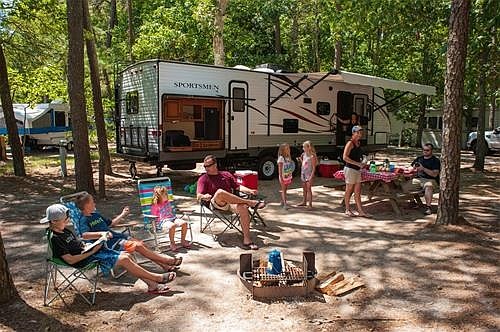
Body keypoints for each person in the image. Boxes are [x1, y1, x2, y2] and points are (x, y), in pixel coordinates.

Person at [41, 203, 175, 294]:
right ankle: (157, 278)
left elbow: (77, 245)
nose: (67, 221)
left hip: (89, 252)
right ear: (53, 221)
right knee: (125, 259)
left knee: (126, 256)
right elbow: (70, 260)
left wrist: (88, 245)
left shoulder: (65, 231)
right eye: (65, 220)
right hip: (84, 260)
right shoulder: (55, 238)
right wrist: (92, 251)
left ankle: (152, 285)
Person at [76, 193, 183, 272]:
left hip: (117, 237)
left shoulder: (96, 215)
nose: (94, 202)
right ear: (86, 205)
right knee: (138, 246)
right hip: (108, 244)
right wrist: (100, 234)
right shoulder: (84, 219)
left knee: (141, 244)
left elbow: (111, 223)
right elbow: (84, 235)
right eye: (92, 201)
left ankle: (164, 266)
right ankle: (168, 260)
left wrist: (123, 214)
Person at [196, 155, 266, 250]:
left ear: (215, 165)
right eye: (205, 166)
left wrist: (250, 190)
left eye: (208, 166)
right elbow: (198, 196)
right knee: (220, 192)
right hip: (217, 204)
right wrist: (204, 196)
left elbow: (238, 187)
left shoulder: (226, 174)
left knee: (243, 207)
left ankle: (247, 240)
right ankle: (251, 202)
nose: (206, 168)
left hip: (231, 203)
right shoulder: (203, 178)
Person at [342, 125, 371, 217]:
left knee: (358, 191)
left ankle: (360, 211)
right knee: (349, 190)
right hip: (350, 169)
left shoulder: (358, 143)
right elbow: (345, 157)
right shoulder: (350, 143)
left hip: (357, 170)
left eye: (360, 132)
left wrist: (363, 163)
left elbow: (358, 156)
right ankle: (347, 209)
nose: (360, 134)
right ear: (353, 133)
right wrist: (357, 164)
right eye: (358, 132)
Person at [151, 185, 191, 252]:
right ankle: (172, 243)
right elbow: (154, 216)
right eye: (164, 195)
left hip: (172, 218)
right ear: (158, 197)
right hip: (162, 221)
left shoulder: (168, 203)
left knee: (184, 223)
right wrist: (155, 225)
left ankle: (183, 240)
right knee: (172, 226)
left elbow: (172, 211)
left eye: (166, 194)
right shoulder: (155, 205)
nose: (166, 195)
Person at [411, 143, 440, 215]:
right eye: (424, 150)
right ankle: (412, 202)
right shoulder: (419, 159)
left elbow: (435, 174)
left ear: (431, 151)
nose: (425, 151)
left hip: (430, 180)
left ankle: (428, 207)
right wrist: (414, 168)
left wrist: (423, 169)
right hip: (418, 179)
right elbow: (411, 168)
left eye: (427, 150)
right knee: (402, 184)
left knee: (429, 186)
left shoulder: (435, 161)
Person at [297, 141, 317, 209]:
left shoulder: (312, 156)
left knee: (309, 189)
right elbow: (304, 164)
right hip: (303, 173)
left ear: (309, 147)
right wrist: (300, 160)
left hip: (309, 174)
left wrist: (311, 176)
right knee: (304, 188)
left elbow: (314, 167)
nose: (303, 148)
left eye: (304, 147)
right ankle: (304, 201)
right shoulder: (303, 154)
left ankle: (310, 204)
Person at [277, 143, 294, 210]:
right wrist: (281, 178)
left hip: (288, 176)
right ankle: (285, 204)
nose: (288, 150)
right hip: (283, 177)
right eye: (287, 148)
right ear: (283, 150)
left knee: (285, 190)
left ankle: (282, 201)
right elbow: (280, 170)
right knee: (283, 190)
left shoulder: (288, 157)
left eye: (289, 148)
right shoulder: (281, 158)